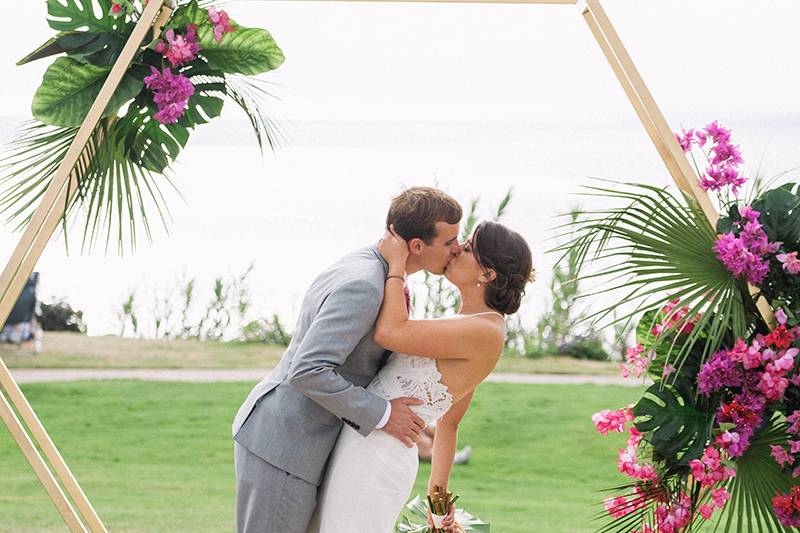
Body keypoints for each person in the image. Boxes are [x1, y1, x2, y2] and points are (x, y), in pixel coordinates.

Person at [231, 187, 463, 533]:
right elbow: (308, 370)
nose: (457, 249)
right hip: (285, 445)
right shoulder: (365, 284)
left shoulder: (378, 269)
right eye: (449, 242)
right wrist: (384, 414)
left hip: (305, 444)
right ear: (417, 246)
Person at [308, 220, 534, 533]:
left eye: (467, 249)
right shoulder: (470, 322)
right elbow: (450, 423)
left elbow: (389, 332)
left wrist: (396, 263)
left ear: (487, 274)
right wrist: (437, 501)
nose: (455, 250)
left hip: (379, 456)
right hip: (365, 441)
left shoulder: (485, 331)